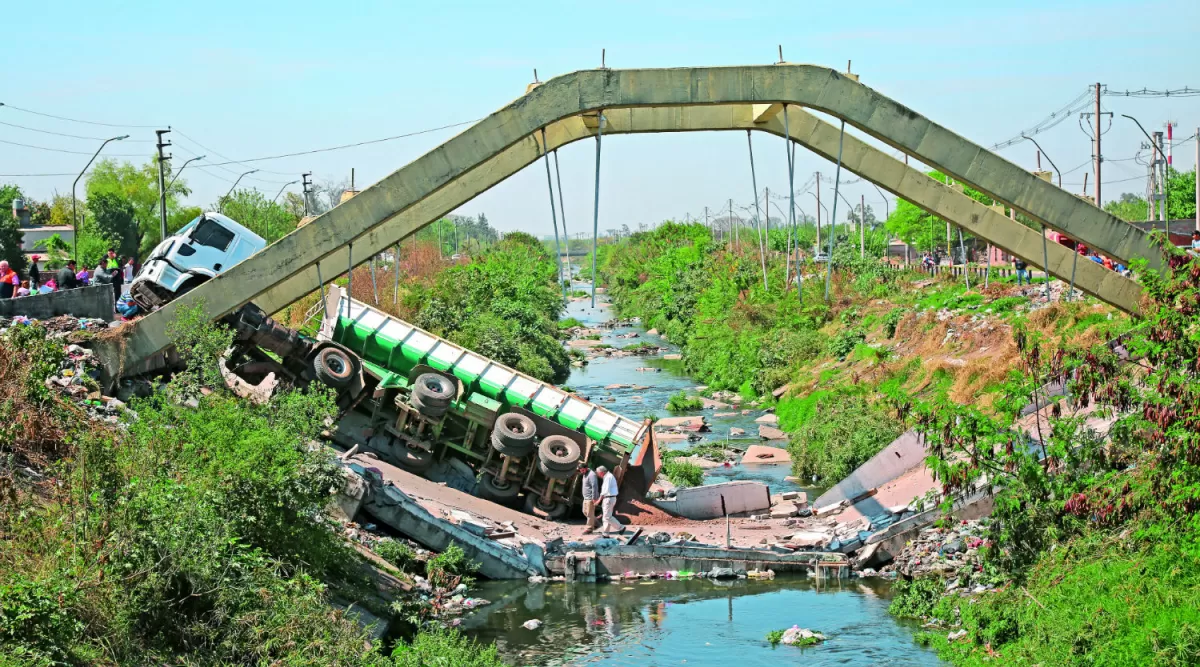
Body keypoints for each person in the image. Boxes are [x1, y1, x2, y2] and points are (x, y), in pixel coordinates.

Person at [596, 465, 623, 535]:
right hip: (610, 498)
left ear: (601, 472)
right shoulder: (608, 476)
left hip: (608, 498)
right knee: (606, 516)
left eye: (598, 473)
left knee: (607, 517)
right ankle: (606, 533)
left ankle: (621, 527)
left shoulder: (608, 477)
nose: (598, 474)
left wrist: (599, 500)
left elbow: (605, 490)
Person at [579, 464, 600, 534]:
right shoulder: (585, 474)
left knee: (589, 513)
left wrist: (594, 498)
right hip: (586, 497)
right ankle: (596, 523)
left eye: (583, 470)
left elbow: (595, 487)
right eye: (581, 470)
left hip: (590, 498)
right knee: (585, 512)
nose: (582, 472)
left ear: (586, 468)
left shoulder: (592, 475)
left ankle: (589, 528)